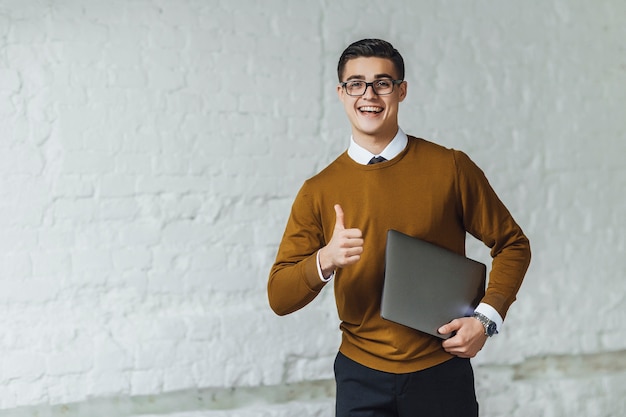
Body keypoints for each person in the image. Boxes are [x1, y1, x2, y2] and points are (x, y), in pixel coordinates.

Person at [267, 38, 531, 417]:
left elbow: (513, 244)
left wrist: (486, 319)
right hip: (360, 377)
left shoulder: (450, 167)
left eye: (382, 83)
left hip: (441, 371)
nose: (368, 95)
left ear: (401, 90)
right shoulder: (318, 191)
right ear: (341, 93)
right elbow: (279, 296)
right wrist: (325, 260)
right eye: (355, 84)